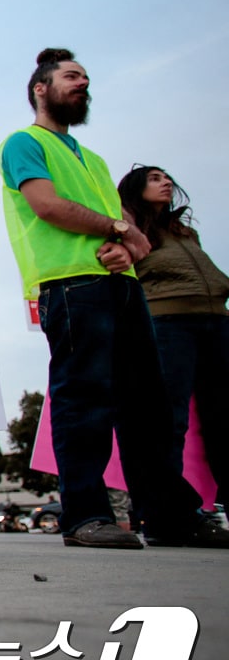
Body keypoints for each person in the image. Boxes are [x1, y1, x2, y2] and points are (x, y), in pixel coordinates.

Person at [0, 47, 228, 549]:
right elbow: (48, 205)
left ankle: (169, 516)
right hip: (70, 286)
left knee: (150, 409)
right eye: (71, 76)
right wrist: (122, 228)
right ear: (40, 88)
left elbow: (120, 235)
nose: (82, 84)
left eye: (85, 78)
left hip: (122, 290)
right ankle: (85, 516)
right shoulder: (23, 142)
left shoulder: (94, 160)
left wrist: (124, 246)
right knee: (84, 402)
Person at [118, 165, 228, 505]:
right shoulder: (129, 229)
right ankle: (170, 503)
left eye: (166, 178)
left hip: (216, 320)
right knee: (169, 417)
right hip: (167, 323)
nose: (166, 182)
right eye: (154, 178)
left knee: (222, 416)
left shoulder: (183, 231)